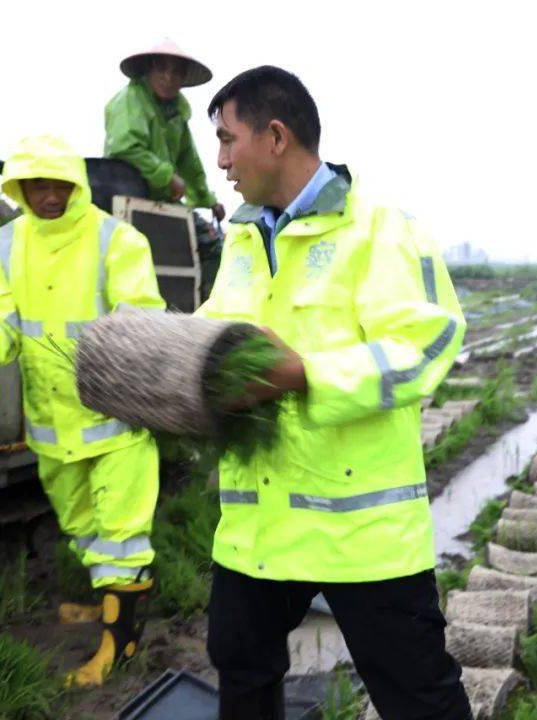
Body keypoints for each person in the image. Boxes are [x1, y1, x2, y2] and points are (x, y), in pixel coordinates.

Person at [196, 66, 472, 720]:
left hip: (360, 530)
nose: (221, 158)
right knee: (240, 667)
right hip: (258, 524)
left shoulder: (380, 230)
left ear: (276, 136)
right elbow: (216, 330)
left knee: (418, 697)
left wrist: (307, 374)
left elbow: (424, 347)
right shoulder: (241, 237)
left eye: (228, 139)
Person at [0, 135, 165, 688]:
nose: (48, 196)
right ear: (17, 188)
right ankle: (112, 604)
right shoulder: (4, 245)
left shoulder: (119, 240)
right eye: (35, 185)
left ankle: (122, 644)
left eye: (59, 184)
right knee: (85, 530)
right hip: (52, 424)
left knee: (121, 536)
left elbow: (141, 317)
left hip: (116, 421)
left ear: (78, 183)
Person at [104, 40, 225, 298]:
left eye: (176, 72)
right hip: (127, 198)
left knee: (212, 242)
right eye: (162, 69)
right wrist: (167, 176)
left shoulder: (177, 114)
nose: (169, 78)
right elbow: (125, 148)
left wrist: (208, 200)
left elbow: (190, 164)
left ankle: (209, 310)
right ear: (148, 70)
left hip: (163, 205)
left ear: (183, 78)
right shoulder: (130, 100)